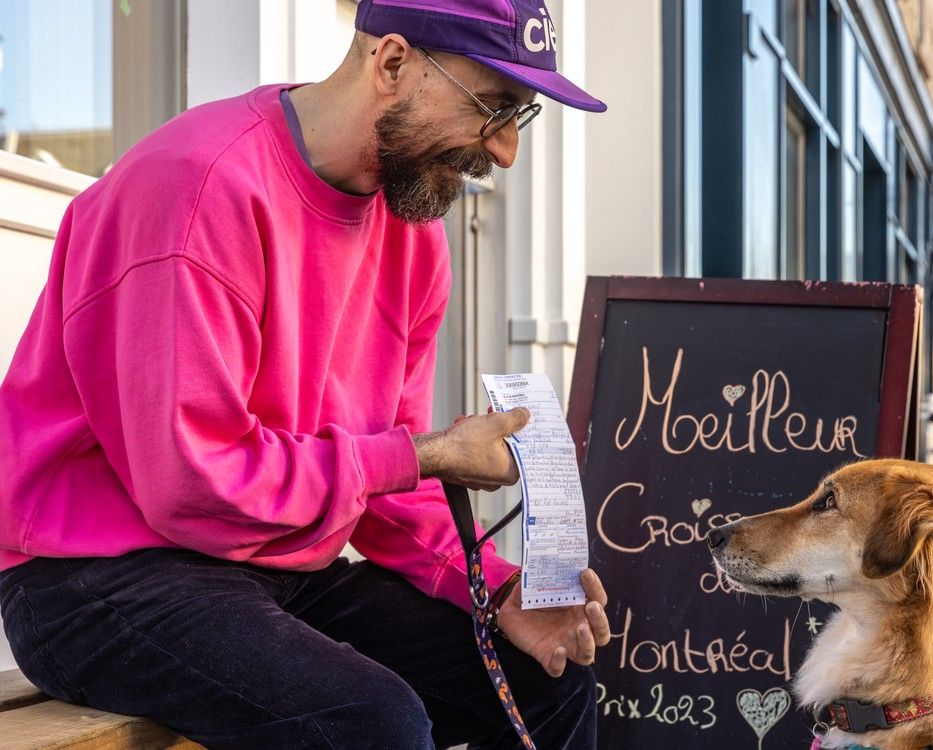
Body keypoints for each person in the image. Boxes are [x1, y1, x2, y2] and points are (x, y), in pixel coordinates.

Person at [0, 1, 611, 748]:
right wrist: (422, 454)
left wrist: (498, 589)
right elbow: (193, 484)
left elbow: (392, 493)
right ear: (392, 64)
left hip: (274, 565)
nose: (508, 150)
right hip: (95, 576)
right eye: (493, 107)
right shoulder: (197, 190)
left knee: (548, 682)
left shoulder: (412, 240)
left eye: (525, 114)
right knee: (372, 723)